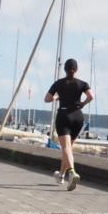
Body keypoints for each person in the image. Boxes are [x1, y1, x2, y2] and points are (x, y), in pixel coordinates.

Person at [44, 58, 93, 191]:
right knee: (68, 149)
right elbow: (91, 96)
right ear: (76, 69)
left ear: (65, 69)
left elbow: (47, 99)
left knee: (65, 148)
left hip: (64, 116)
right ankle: (61, 175)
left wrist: (56, 97)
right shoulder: (83, 84)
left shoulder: (58, 83)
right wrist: (83, 104)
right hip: (78, 117)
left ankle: (72, 172)